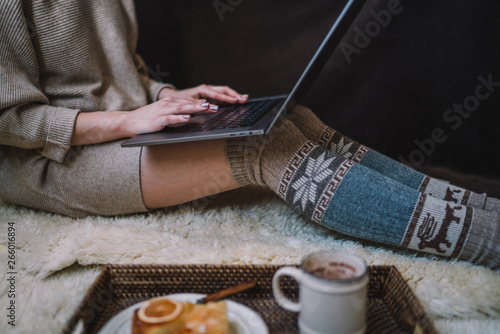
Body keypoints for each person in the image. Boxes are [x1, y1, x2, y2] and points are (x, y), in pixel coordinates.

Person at [0, 0, 498, 269]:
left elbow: (116, 71)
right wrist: (130, 121)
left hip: (120, 126)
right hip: (52, 162)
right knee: (261, 148)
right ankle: (486, 241)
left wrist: (166, 95)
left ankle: (479, 210)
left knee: (285, 119)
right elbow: (11, 121)